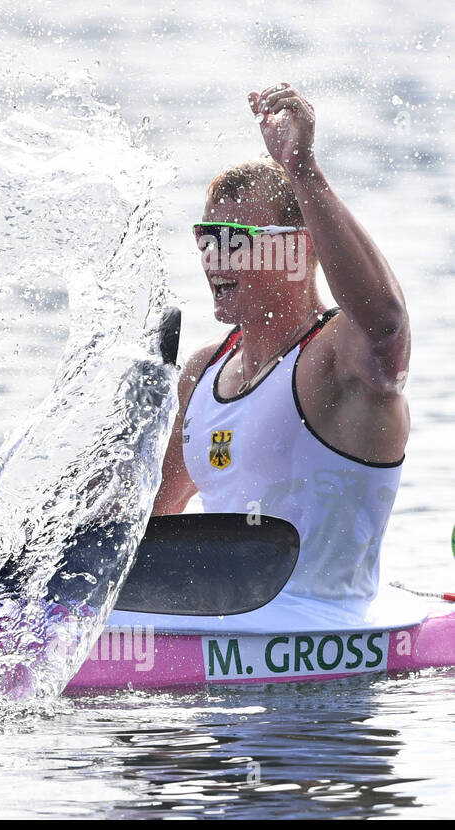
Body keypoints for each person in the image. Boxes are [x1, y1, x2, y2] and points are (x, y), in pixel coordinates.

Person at [152, 83, 410, 626]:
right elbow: (150, 518)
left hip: (324, 643)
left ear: (304, 246)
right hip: (222, 641)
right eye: (207, 237)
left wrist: (303, 169)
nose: (215, 257)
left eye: (237, 239)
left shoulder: (341, 358)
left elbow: (387, 324)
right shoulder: (202, 371)